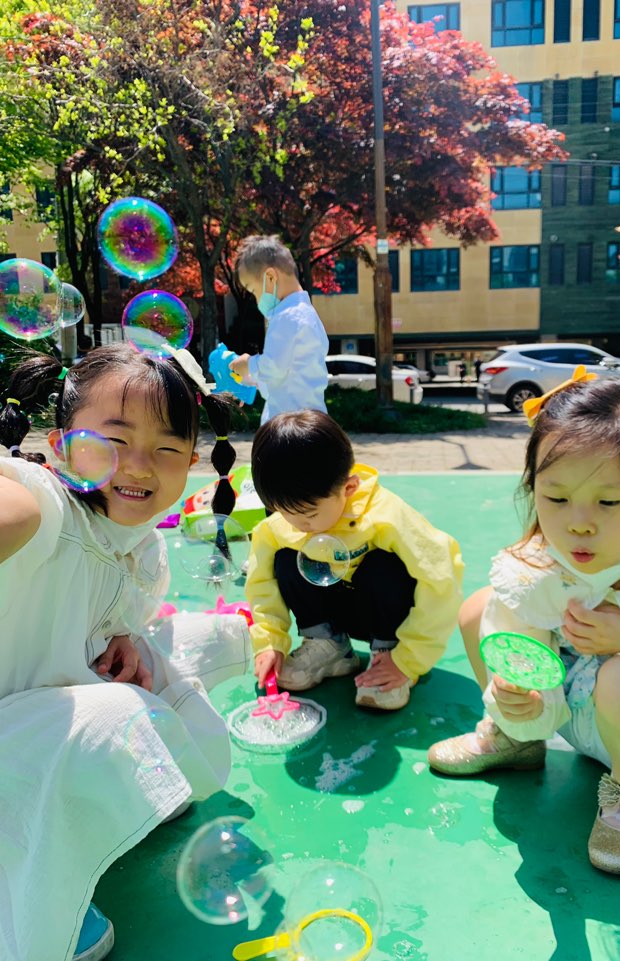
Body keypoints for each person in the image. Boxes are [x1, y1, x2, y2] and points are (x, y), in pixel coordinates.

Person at [0, 344, 252, 961]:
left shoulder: (141, 548)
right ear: (60, 447)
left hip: (31, 724)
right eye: (113, 439)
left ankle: (94, 806)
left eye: (166, 448)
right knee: (118, 717)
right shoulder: (42, 506)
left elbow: (115, 604)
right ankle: (30, 887)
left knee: (179, 651)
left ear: (191, 462)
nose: (139, 465)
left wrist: (118, 632)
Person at [428, 370, 620, 876]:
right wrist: (519, 700)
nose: (578, 523)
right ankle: (516, 740)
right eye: (556, 498)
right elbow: (518, 647)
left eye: (609, 502)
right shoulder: (538, 566)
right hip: (569, 718)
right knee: (479, 608)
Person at [245, 410, 464, 710]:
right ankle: (329, 644)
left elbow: (440, 579)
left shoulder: (386, 516)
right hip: (336, 608)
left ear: (348, 488)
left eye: (309, 515)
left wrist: (409, 659)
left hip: (388, 617)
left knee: (382, 566)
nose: (298, 525)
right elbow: (261, 585)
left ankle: (387, 657)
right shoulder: (284, 524)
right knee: (285, 559)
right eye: (283, 512)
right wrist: (269, 642)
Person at [229, 235, 329, 423]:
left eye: (253, 291)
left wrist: (248, 363)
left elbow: (273, 367)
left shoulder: (287, 316)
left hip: (291, 425)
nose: (256, 299)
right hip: (311, 421)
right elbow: (282, 376)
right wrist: (249, 380)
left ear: (270, 277)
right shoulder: (307, 313)